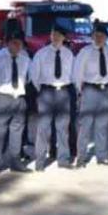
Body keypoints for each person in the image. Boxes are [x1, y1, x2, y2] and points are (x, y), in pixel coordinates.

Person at [0, 30, 32, 175]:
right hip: (2, 98)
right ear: (8, 44)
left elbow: (29, 78)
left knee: (17, 132)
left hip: (19, 98)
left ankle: (15, 161)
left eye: (19, 43)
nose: (17, 46)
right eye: (14, 43)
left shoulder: (25, 59)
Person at [73, 24, 108, 168]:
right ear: (92, 36)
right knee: (85, 126)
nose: (99, 38)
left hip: (105, 90)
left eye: (102, 36)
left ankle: (102, 156)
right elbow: (77, 72)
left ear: (106, 38)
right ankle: (81, 158)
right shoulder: (85, 51)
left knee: (102, 126)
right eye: (96, 35)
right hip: (89, 90)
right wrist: (79, 92)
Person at [30, 24, 75, 171]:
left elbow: (73, 75)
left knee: (63, 128)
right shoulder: (41, 54)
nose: (55, 37)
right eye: (52, 34)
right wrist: (43, 90)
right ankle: (40, 161)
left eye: (58, 35)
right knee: (43, 128)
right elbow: (34, 75)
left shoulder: (69, 55)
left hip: (63, 92)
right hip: (46, 92)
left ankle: (63, 159)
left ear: (63, 37)